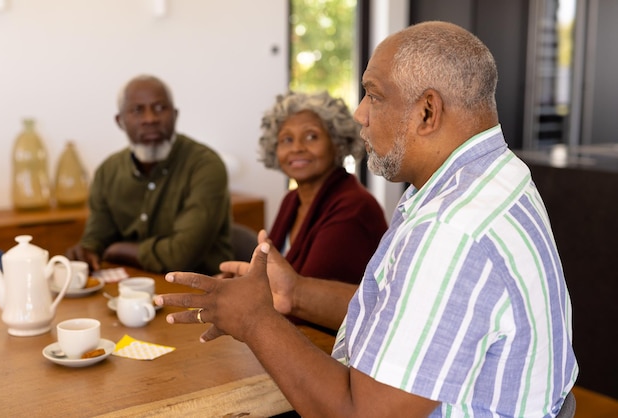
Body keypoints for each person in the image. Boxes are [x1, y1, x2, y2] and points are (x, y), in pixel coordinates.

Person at [156, 21, 578, 417]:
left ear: (427, 112)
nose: (360, 113)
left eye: (373, 95)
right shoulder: (491, 176)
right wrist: (296, 293)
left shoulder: (450, 230)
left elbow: (360, 412)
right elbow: (403, 310)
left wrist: (255, 320)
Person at [66, 75, 232, 275]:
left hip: (202, 291)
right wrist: (87, 251)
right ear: (120, 121)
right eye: (137, 110)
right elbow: (96, 239)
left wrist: (118, 250)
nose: (150, 119)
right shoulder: (107, 172)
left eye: (160, 108)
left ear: (175, 115)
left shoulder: (205, 166)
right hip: (133, 289)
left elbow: (180, 256)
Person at [259, 91, 387, 284]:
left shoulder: (354, 208)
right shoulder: (292, 200)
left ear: (338, 143)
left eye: (311, 137)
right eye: (287, 139)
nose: (297, 148)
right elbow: (265, 275)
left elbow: (306, 299)